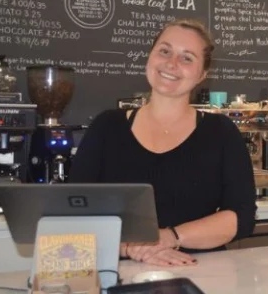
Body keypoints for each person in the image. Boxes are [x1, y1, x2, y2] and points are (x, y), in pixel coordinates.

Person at [69, 18, 257, 266]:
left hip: (200, 273)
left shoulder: (221, 133)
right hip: (117, 272)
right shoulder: (107, 127)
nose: (172, 63)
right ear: (150, 57)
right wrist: (129, 248)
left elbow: (241, 217)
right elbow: (74, 210)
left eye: (187, 58)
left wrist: (168, 237)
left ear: (202, 74)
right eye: (165, 51)